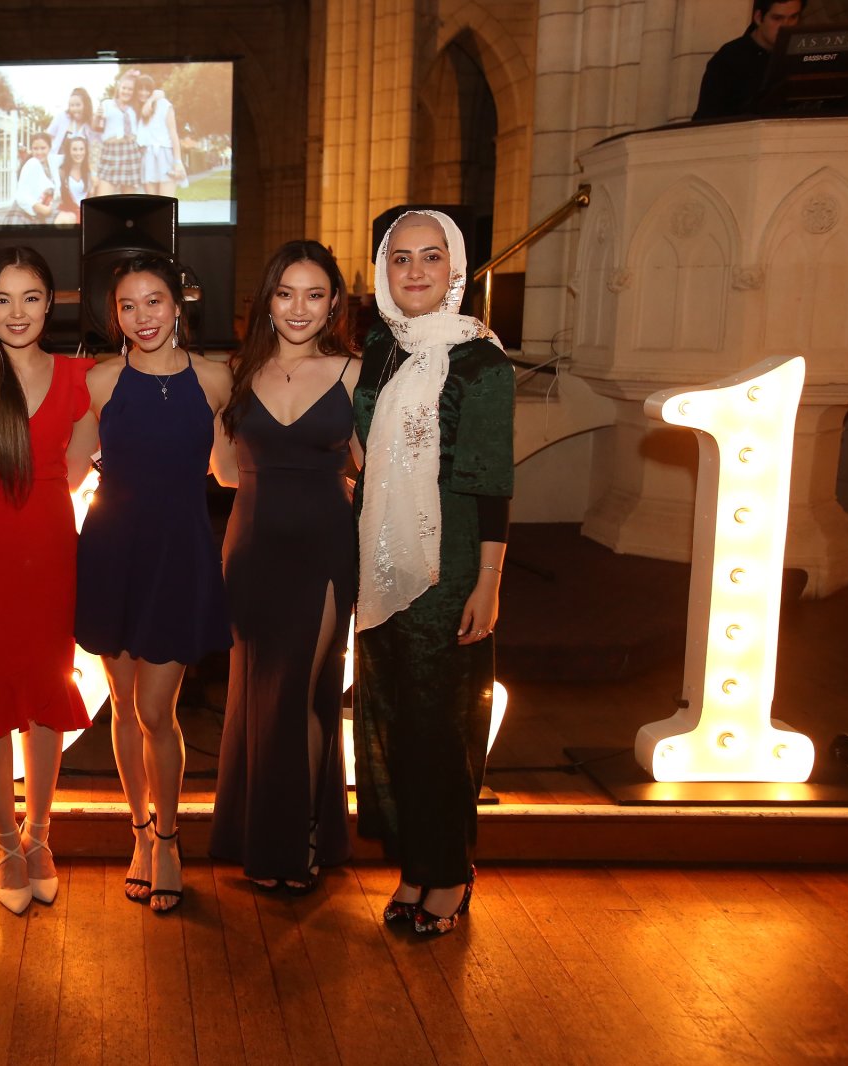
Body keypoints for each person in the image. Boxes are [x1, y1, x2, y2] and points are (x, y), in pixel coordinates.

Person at [352, 209, 514, 937]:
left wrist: (489, 581)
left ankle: (449, 873)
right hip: (379, 558)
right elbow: (363, 446)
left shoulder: (480, 361)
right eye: (400, 258)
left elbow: (492, 480)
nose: (415, 271)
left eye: (431, 256)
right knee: (391, 714)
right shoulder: (381, 346)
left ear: (456, 269)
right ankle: (414, 864)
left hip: (450, 564)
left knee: (440, 724)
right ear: (383, 270)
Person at [75, 254, 232, 913]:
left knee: (155, 711)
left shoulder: (215, 378)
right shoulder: (101, 381)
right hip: (112, 552)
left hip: (178, 557)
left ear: (178, 304)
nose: (142, 316)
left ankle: (169, 838)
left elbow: (231, 470)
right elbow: (66, 468)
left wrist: (321, 470)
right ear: (115, 316)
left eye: (154, 302)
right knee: (120, 702)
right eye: (128, 306)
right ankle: (138, 831)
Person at [0, 247, 99, 915]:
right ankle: (4, 840)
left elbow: (74, 469)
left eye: (31, 297)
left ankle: (40, 836)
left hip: (50, 550)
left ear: (50, 303)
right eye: (3, 299)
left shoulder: (78, 377)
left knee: (45, 687)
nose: (17, 313)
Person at [210, 240, 361, 894]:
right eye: (286, 293)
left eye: (314, 295)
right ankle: (267, 835)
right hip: (252, 550)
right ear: (266, 300)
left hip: (324, 548)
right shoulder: (236, 373)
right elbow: (223, 470)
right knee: (261, 694)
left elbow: (373, 468)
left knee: (301, 688)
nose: (299, 308)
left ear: (334, 304)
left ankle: (299, 833)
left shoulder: (355, 374)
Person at [693, 0, 804, 120]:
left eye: (793, 17)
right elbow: (707, 118)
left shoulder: (801, 54)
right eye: (777, 18)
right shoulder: (729, 58)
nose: (786, 26)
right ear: (758, 17)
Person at [134, 73, 187, 196]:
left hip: (165, 155)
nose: (143, 93)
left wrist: (177, 161)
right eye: (140, 89)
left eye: (147, 89)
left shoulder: (163, 104)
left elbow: (173, 134)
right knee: (152, 204)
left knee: (166, 202)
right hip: (147, 157)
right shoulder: (135, 109)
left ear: (152, 91)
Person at [94, 71, 142, 196]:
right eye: (124, 88)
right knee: (103, 198)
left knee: (128, 200)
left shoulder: (135, 108)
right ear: (118, 87)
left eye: (130, 89)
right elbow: (97, 128)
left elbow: (158, 94)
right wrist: (97, 117)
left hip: (130, 152)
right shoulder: (107, 104)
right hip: (110, 151)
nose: (126, 92)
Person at [46, 87, 99, 176]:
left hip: (80, 168)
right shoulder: (62, 117)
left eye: (78, 105)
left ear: (86, 105)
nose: (74, 109)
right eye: (72, 105)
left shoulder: (91, 123)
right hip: (58, 165)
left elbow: (95, 146)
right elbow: (48, 136)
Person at [12, 132, 59, 223]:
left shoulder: (51, 162)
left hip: (39, 212)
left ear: (50, 148)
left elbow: (69, 157)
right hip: (26, 214)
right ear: (31, 149)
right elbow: (21, 194)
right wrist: (43, 209)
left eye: (43, 148)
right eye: (35, 149)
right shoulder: (32, 163)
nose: (39, 152)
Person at [55, 135, 95, 225]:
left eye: (81, 149)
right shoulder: (61, 172)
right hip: (68, 213)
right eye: (74, 149)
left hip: (86, 213)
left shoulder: (90, 172)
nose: (78, 153)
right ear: (69, 151)